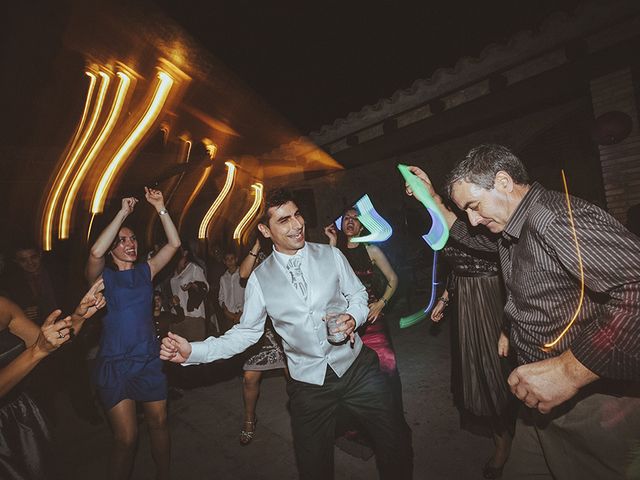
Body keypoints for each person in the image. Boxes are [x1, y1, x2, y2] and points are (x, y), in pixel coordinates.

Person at [406, 144, 640, 479]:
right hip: (538, 401)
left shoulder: (554, 219)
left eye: (473, 206)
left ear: (503, 182)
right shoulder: (512, 227)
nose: (472, 219)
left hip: (592, 403)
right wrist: (432, 199)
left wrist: (570, 371)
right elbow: (464, 235)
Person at [161, 188, 413, 480]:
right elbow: (246, 333)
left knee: (395, 442)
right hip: (309, 385)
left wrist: (353, 316)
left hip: (358, 370)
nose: (297, 225)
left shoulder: (330, 254)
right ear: (265, 230)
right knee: (313, 466)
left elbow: (357, 294)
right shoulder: (259, 278)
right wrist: (195, 351)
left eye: (297, 215)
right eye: (284, 220)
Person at [86, 188, 181, 480]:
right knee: (126, 439)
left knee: (159, 424)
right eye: (122, 240)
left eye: (133, 239)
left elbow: (174, 243)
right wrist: (123, 213)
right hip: (115, 364)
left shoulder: (146, 271)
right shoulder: (103, 278)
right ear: (113, 247)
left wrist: (160, 207)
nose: (130, 244)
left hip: (148, 360)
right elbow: (95, 252)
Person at [0, 280, 105, 480]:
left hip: (22, 414)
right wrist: (37, 351)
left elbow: (48, 342)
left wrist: (78, 317)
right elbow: (39, 348)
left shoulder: (3, 305)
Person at [431, 242, 514, 478]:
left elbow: (514, 266)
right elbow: (455, 269)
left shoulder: (479, 217)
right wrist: (445, 298)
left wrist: (507, 327)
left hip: (495, 296)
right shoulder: (444, 226)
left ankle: (522, 434)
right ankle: (502, 440)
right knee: (479, 371)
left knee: (502, 369)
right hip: (467, 302)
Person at [3, 241, 100, 425]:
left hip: (66, 329)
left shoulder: (57, 272)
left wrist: (79, 318)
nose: (30, 264)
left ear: (40, 255)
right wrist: (24, 314)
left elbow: (74, 295)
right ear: (16, 262)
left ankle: (88, 412)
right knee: (47, 386)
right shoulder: (13, 285)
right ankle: (49, 424)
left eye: (33, 258)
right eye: (23, 260)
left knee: (77, 377)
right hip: (35, 340)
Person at [235, 236, 288, 445]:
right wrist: (257, 245)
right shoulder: (256, 254)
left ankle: (305, 415)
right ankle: (249, 419)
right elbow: (243, 273)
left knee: (292, 376)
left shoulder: (281, 250)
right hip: (260, 326)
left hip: (281, 323)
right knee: (250, 377)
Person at [170, 246, 209, 341]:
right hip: (177, 315)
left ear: (185, 253)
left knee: (194, 350)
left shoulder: (194, 268)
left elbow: (206, 288)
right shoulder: (173, 271)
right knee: (178, 351)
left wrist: (192, 285)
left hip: (193, 316)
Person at [218, 251, 245, 331]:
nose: (230, 261)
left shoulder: (242, 274)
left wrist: (240, 313)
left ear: (236, 259)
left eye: (232, 259)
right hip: (228, 315)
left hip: (242, 313)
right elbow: (221, 297)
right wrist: (225, 310)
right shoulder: (223, 278)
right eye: (227, 259)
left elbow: (247, 294)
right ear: (224, 261)